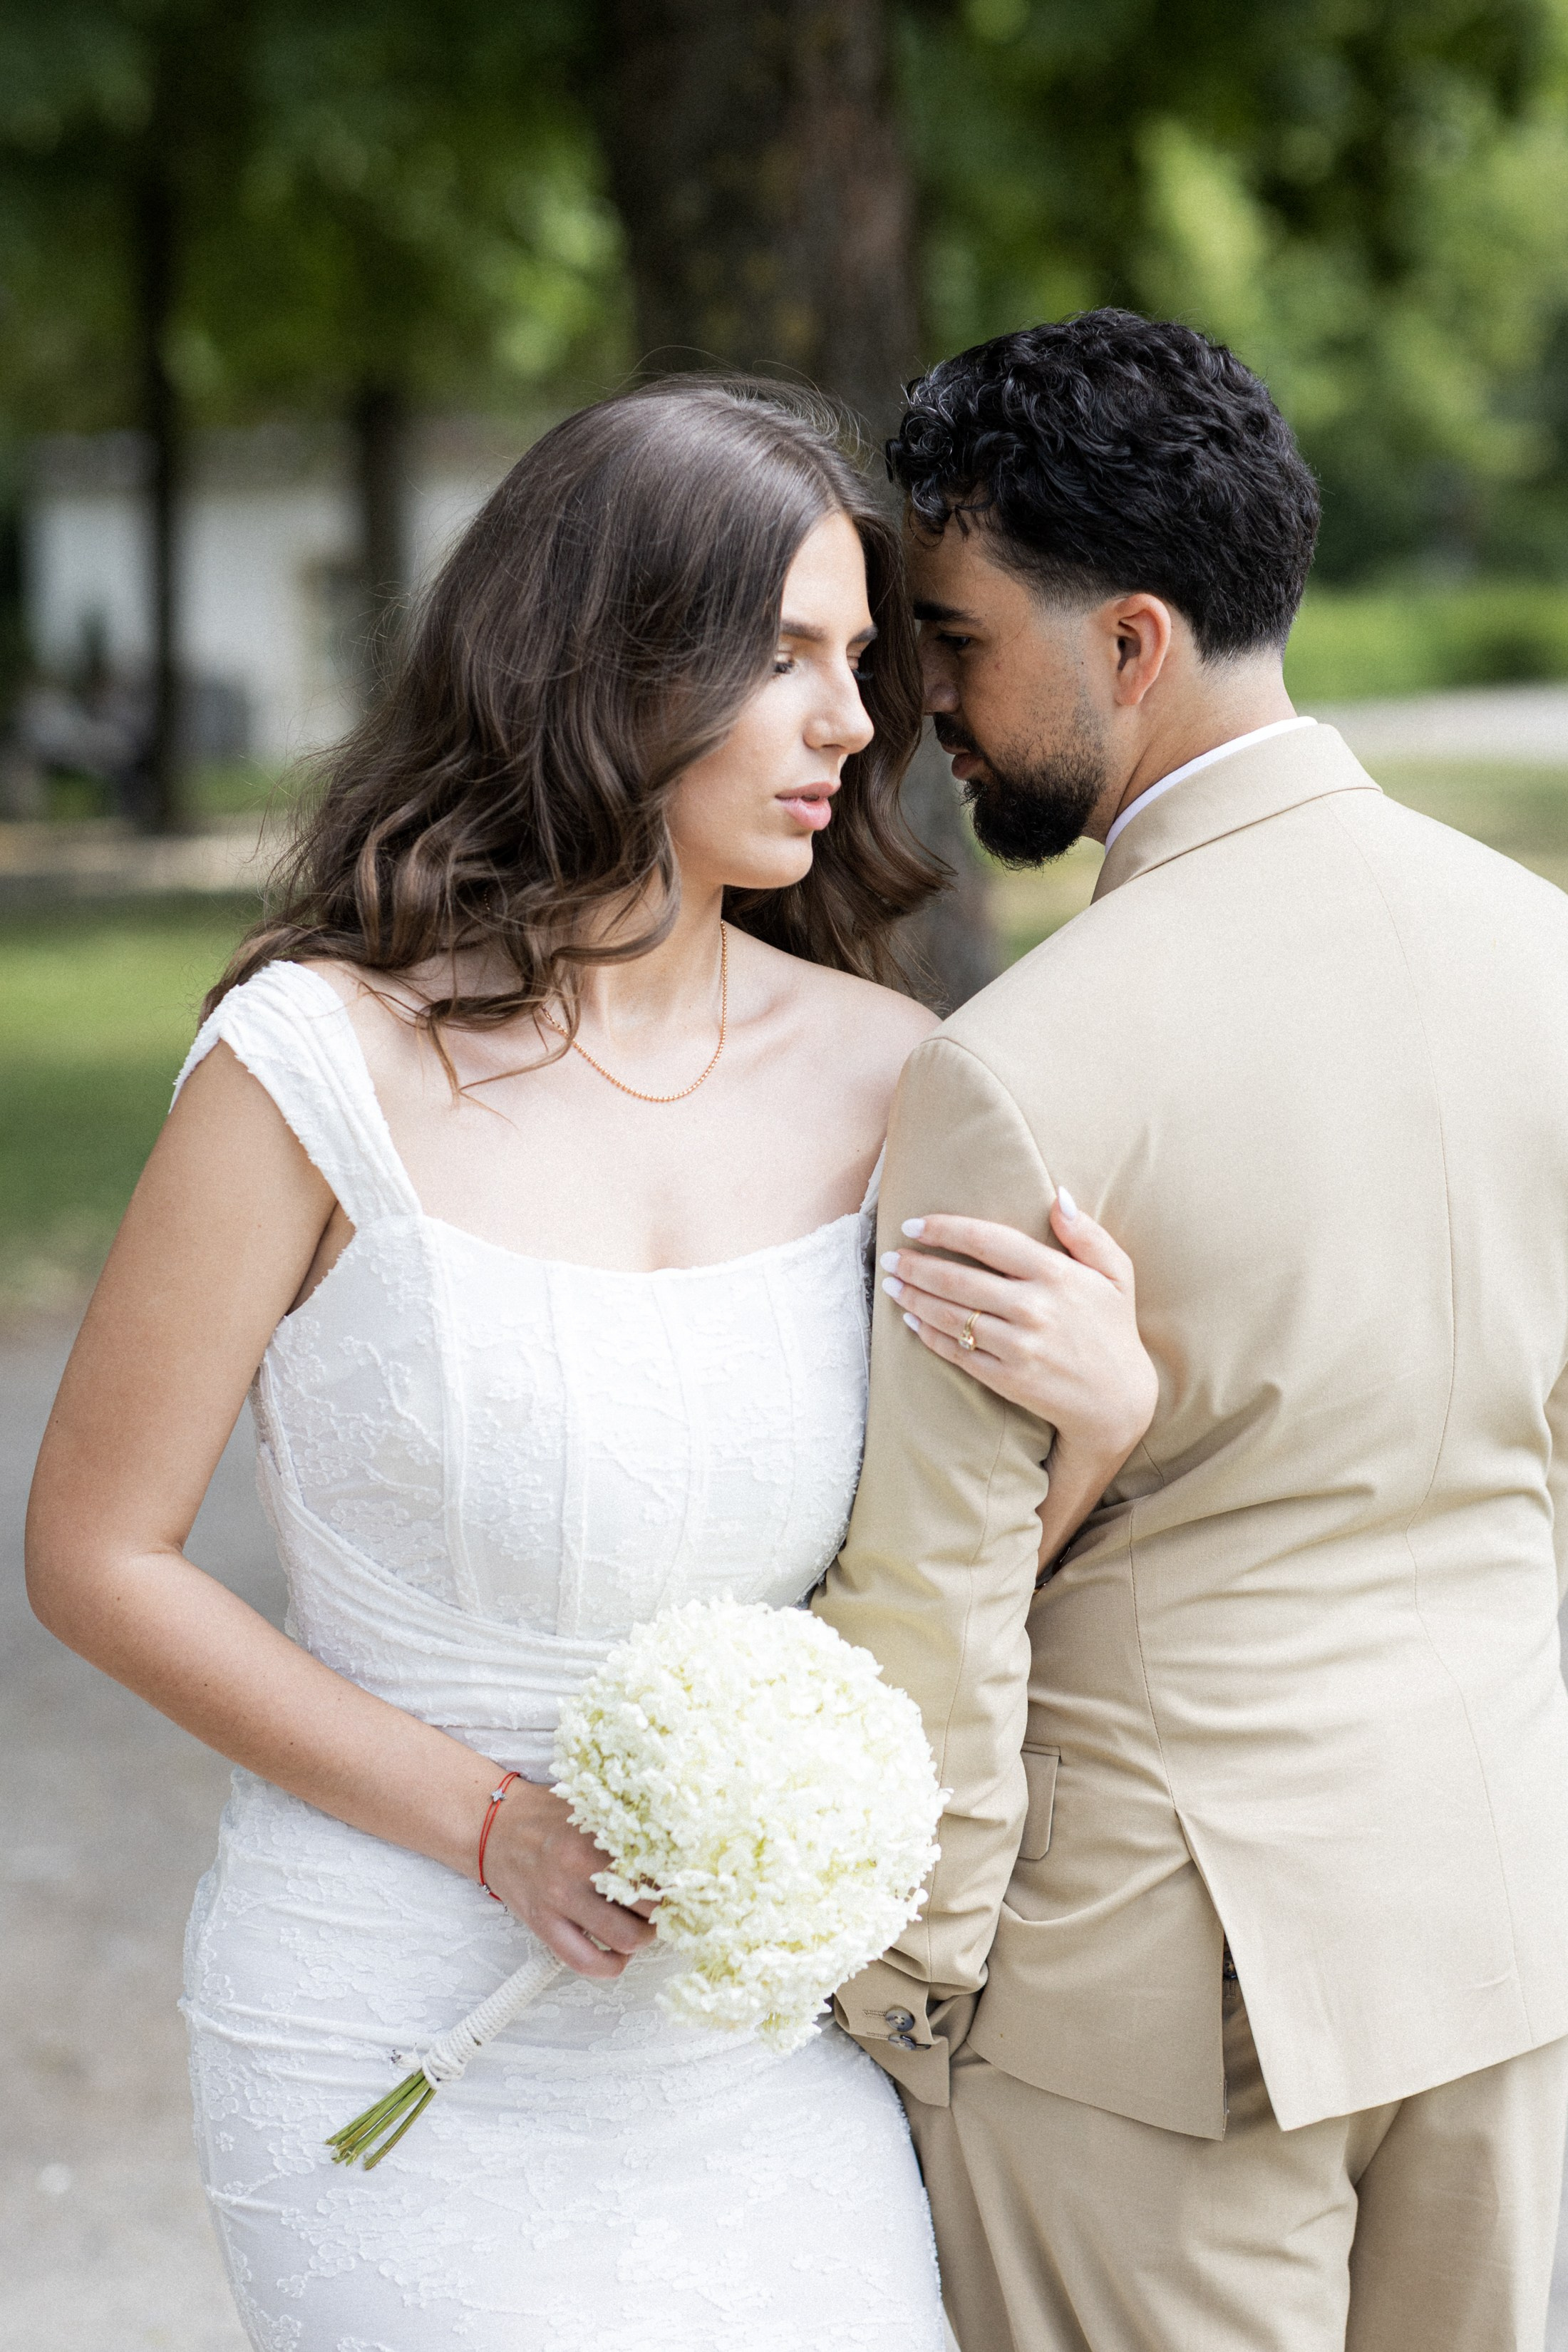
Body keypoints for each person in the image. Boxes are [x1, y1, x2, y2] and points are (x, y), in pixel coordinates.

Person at [25, 379, 1155, 2351]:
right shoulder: (313, 1064)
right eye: (785, 655)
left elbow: (918, 1595)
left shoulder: (898, 1081)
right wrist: (492, 1823)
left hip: (748, 2047)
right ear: (601, 659)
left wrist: (1099, 1422)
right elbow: (95, 1554)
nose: (853, 721)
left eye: (862, 660)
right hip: (386, 2022)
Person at [816, 310, 1568, 2352]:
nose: (922, 709)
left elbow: (936, 1593)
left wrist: (903, 1991)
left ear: (1131, 642)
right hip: (1495, 1909)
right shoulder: (1544, 959)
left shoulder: (1018, 1069)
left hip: (1146, 1988)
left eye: (955, 642)